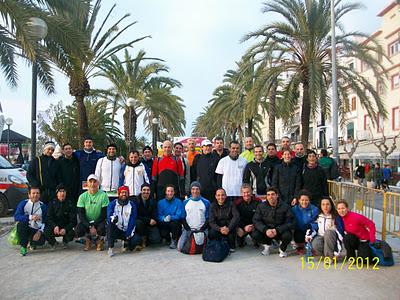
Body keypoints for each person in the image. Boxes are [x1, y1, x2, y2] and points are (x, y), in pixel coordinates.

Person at [253, 187, 294, 258]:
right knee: (255, 234)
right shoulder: (261, 206)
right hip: (267, 231)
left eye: (273, 194)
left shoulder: (285, 206)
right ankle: (267, 246)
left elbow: (291, 222)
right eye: (268, 195)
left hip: (280, 231)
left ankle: (282, 249)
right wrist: (265, 230)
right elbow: (256, 220)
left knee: (288, 236)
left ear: (277, 195)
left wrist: (277, 230)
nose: (270, 197)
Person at [76, 174, 109, 251]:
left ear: (98, 183)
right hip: (87, 221)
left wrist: (94, 224)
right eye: (90, 182)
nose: (92, 184)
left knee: (102, 228)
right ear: (87, 183)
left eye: (94, 182)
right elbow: (81, 214)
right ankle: (88, 240)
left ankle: (99, 241)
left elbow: (104, 214)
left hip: (99, 221)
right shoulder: (82, 196)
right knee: (78, 230)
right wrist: (90, 226)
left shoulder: (103, 195)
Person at [106, 186, 142, 257]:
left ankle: (126, 243)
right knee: (109, 226)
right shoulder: (113, 204)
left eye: (125, 192)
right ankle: (111, 248)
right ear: (119, 194)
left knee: (136, 240)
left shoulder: (132, 205)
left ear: (128, 194)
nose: (124, 194)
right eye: (122, 192)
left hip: (126, 230)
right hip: (117, 228)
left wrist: (128, 233)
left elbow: (133, 220)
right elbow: (109, 215)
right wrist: (113, 219)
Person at [14, 186, 47, 256]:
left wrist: (40, 231)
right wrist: (30, 217)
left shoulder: (43, 206)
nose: (35, 195)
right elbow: (16, 216)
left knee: (41, 241)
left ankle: (32, 242)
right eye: (33, 193)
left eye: (37, 193)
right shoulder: (23, 203)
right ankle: (23, 246)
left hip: (36, 229)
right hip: (26, 227)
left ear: (40, 195)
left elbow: (46, 221)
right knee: (21, 225)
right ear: (29, 195)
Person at [178, 181, 210, 251]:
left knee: (207, 248)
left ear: (200, 190)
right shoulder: (185, 202)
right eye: (193, 189)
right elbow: (183, 217)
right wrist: (188, 229)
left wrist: (202, 228)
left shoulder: (206, 202)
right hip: (188, 229)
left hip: (202, 229)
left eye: (197, 189)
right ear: (190, 190)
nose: (195, 191)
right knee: (180, 248)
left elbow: (208, 218)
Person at [44, 185, 76, 249]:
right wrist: (54, 226)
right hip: (55, 228)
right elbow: (48, 218)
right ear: (57, 193)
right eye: (60, 191)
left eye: (64, 191)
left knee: (71, 233)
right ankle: (53, 242)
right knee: (46, 230)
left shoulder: (70, 203)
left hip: (65, 227)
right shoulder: (52, 203)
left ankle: (65, 241)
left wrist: (65, 229)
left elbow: (73, 220)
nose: (62, 193)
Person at [291, 190, 318, 255]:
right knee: (298, 236)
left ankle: (311, 247)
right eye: (302, 200)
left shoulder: (315, 209)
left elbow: (318, 223)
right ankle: (300, 247)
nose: (304, 202)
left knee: (312, 235)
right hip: (299, 230)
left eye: (306, 200)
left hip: (310, 230)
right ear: (299, 200)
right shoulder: (294, 209)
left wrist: (311, 226)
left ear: (309, 200)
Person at [157, 185, 184, 249]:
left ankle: (174, 240)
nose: (170, 193)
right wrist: (163, 218)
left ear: (174, 192)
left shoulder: (178, 202)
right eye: (168, 191)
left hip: (174, 222)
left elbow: (180, 215)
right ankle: (166, 238)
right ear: (165, 192)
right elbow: (159, 215)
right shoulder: (160, 202)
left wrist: (170, 217)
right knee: (163, 232)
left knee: (174, 224)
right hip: (164, 222)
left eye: (172, 191)